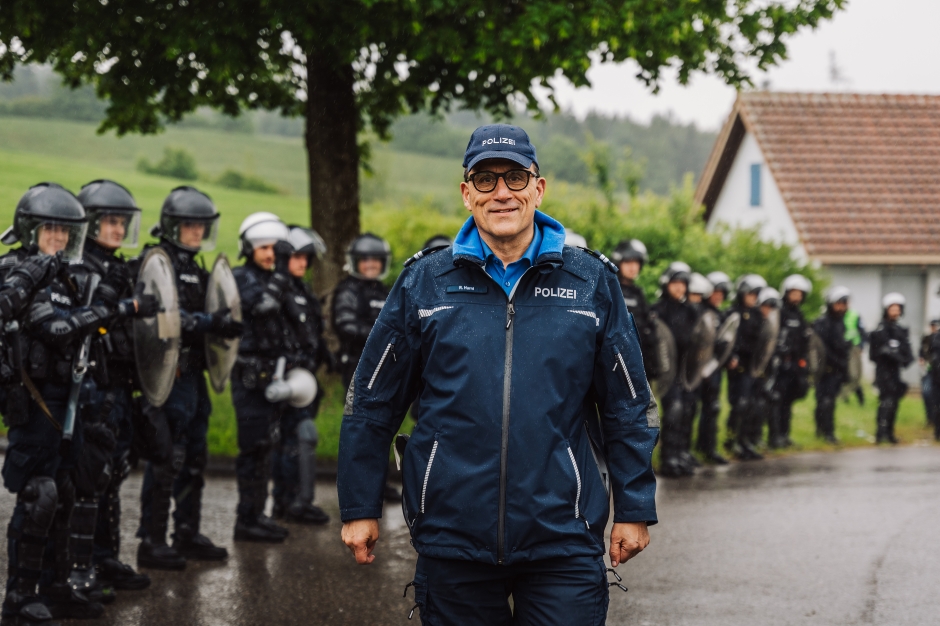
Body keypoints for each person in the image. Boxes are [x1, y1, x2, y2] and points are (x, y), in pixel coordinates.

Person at [338, 124, 658, 625]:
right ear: (467, 193)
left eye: (515, 177)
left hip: (563, 535)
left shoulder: (590, 282)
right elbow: (372, 400)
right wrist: (360, 505)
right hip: (452, 535)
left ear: (538, 188)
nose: (502, 192)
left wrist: (635, 506)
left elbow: (628, 404)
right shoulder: (425, 282)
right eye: (485, 179)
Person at [0, 183, 113, 622]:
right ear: (31, 230)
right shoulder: (19, 271)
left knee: (66, 491)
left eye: (65, 231)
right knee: (39, 494)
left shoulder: (68, 276)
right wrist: (102, 312)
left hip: (70, 398)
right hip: (34, 402)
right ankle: (19, 596)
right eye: (50, 229)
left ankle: (56, 586)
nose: (59, 238)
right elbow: (54, 329)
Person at [136, 187, 239, 570]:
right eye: (189, 225)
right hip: (168, 374)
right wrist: (209, 322)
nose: (197, 232)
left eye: (201, 226)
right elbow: (158, 321)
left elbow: (215, 309)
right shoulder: (157, 264)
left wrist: (228, 324)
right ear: (171, 226)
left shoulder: (197, 268)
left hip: (194, 374)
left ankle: (186, 532)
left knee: (195, 456)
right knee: (168, 457)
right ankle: (151, 540)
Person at [72, 180, 155, 594]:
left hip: (120, 386)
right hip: (92, 388)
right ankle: (79, 565)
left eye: (123, 222)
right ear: (89, 223)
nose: (118, 229)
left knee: (115, 472)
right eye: (110, 222)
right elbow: (87, 320)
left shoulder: (117, 267)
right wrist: (129, 306)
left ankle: (105, 557)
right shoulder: (79, 268)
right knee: (90, 476)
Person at [230, 212, 299, 542]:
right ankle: (245, 519)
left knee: (266, 446)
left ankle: (258, 513)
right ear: (249, 248)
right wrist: (283, 271)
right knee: (252, 447)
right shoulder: (241, 276)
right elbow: (263, 307)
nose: (271, 254)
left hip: (271, 376)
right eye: (264, 247)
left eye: (277, 248)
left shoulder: (275, 279)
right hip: (247, 376)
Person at [331, 233, 401, 502]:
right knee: (362, 428)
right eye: (365, 260)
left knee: (383, 426)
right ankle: (359, 491)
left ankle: (379, 485)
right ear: (355, 262)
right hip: (357, 369)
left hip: (384, 369)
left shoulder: (384, 291)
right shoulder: (348, 290)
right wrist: (380, 336)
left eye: (376, 259)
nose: (371, 264)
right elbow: (345, 325)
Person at [270, 225, 331, 525]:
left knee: (296, 438)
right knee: (294, 437)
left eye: (306, 257)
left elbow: (311, 333)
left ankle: (292, 502)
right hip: (286, 379)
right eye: (296, 256)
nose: (303, 262)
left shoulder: (302, 291)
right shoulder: (277, 291)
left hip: (306, 378)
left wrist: (325, 355)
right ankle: (291, 502)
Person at [652, 263, 699, 477]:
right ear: (667, 284)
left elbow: (700, 340)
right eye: (675, 283)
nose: (679, 287)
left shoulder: (691, 310)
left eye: (683, 283)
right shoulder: (658, 310)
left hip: (685, 369)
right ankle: (668, 457)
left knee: (687, 409)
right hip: (666, 369)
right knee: (674, 410)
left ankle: (681, 452)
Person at [725, 274, 767, 460]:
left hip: (752, 366)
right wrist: (732, 356)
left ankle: (745, 440)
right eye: (751, 294)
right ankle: (731, 439)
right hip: (738, 366)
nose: (753, 297)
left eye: (756, 294)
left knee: (751, 403)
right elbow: (728, 338)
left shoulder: (757, 315)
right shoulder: (733, 312)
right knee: (739, 404)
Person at [769, 275, 813, 449]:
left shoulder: (799, 315)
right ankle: (774, 436)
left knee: (788, 401)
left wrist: (803, 362)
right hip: (780, 364)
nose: (797, 297)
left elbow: (804, 340)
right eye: (794, 293)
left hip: (795, 365)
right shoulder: (779, 312)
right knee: (776, 400)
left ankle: (785, 434)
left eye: (800, 294)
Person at [695, 271, 732, 464]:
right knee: (688, 410)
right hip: (696, 369)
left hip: (714, 369)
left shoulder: (721, 315)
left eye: (722, 293)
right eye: (715, 292)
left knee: (712, 408)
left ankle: (708, 447)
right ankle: (684, 450)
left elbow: (726, 341)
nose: (718, 296)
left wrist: (729, 356)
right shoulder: (699, 311)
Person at [869, 293, 914, 444]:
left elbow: (908, 356)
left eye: (897, 309)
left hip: (896, 372)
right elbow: (873, 355)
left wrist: (898, 356)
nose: (895, 312)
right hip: (883, 372)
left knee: (894, 402)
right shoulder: (879, 330)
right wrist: (885, 352)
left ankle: (890, 433)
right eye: (892, 309)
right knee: (886, 401)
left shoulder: (901, 330)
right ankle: (880, 433)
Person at [611, 238, 658, 379]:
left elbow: (646, 329)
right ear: (618, 262)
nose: (633, 267)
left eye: (636, 262)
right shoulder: (610, 288)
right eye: (628, 262)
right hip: (615, 362)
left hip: (637, 363)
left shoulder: (639, 293)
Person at [813, 287, 851, 443]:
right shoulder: (822, 323)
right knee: (824, 401)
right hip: (824, 369)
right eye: (838, 304)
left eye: (844, 304)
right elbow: (822, 349)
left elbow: (841, 347)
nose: (841, 307)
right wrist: (837, 362)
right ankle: (824, 431)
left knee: (831, 401)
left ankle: (827, 431)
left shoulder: (841, 323)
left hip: (837, 370)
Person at [747, 287, 782, 451]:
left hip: (765, 369)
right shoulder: (752, 322)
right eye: (765, 306)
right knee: (748, 404)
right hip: (749, 369)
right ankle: (744, 437)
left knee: (763, 403)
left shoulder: (772, 324)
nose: (767, 310)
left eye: (771, 307)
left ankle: (757, 436)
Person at [840, 306, 866, 405]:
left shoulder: (854, 315)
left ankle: (843, 396)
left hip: (853, 348)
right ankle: (842, 397)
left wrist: (861, 346)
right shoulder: (833, 315)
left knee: (855, 376)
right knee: (846, 375)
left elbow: (862, 331)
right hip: (839, 349)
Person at [919, 319, 940, 429]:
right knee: (927, 393)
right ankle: (930, 418)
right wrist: (922, 361)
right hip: (929, 371)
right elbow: (921, 353)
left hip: (937, 371)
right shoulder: (927, 339)